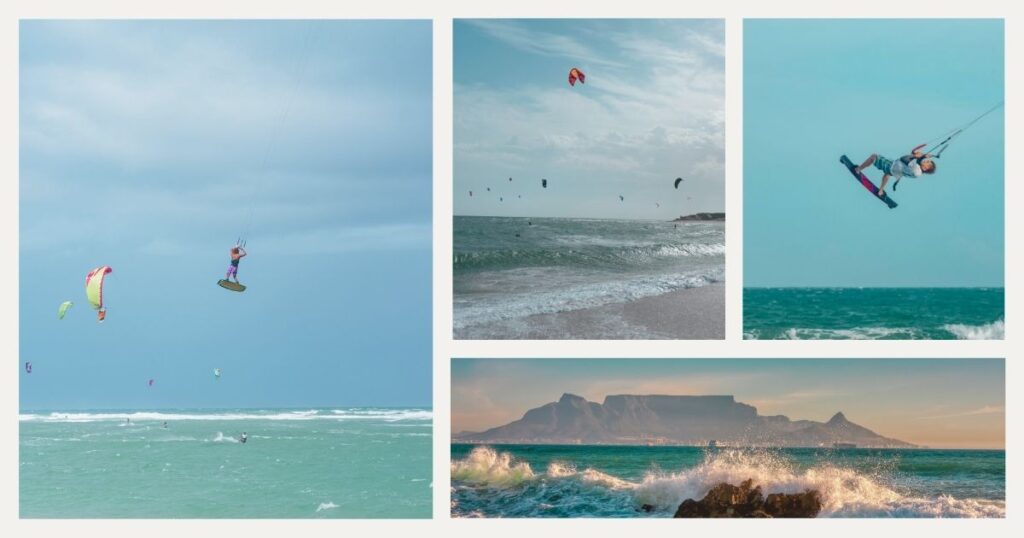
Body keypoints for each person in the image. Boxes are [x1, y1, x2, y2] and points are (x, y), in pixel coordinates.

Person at [854, 144, 937, 197]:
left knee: (873, 157)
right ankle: (881, 191)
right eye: (927, 160)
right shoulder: (919, 170)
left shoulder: (917, 170)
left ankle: (858, 169)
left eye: (928, 162)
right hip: (896, 171)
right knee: (887, 174)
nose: (926, 161)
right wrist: (919, 155)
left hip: (892, 166)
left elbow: (904, 159)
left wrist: (917, 155)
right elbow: (915, 160)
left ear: (926, 168)